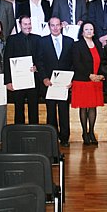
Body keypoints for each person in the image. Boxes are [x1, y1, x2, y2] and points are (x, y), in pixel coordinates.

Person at [36, 17, 74, 147]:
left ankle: (64, 138)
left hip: (64, 84)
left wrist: (71, 80)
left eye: (58, 25)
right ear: (49, 26)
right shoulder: (42, 41)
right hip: (49, 83)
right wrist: (44, 78)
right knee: (50, 111)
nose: (55, 28)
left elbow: (73, 63)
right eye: (53, 25)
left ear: (61, 26)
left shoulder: (70, 41)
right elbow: (39, 62)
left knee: (64, 112)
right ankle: (52, 137)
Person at [71, 21, 105, 145]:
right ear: (82, 32)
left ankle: (91, 131)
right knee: (84, 108)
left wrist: (101, 75)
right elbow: (76, 63)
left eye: (91, 29)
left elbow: (101, 61)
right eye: (86, 29)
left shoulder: (97, 44)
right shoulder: (77, 45)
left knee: (93, 107)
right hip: (83, 80)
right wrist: (89, 75)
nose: (89, 31)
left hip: (95, 81)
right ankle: (84, 132)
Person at [4, 15, 41, 124]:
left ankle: (34, 131)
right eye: (25, 24)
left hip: (33, 79)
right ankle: (19, 132)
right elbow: (7, 60)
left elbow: (41, 57)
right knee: (18, 107)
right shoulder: (12, 39)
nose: (28, 26)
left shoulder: (37, 39)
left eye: (29, 24)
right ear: (20, 25)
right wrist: (8, 81)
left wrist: (37, 67)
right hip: (17, 80)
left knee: (34, 107)